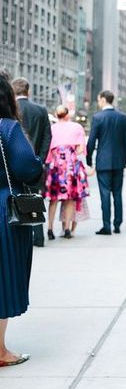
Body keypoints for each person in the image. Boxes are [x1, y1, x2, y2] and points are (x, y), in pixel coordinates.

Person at [0, 72, 43, 367]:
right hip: (4, 210)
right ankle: (0, 352)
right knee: (2, 279)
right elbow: (28, 167)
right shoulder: (8, 128)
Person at [12, 77, 52, 247]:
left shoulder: (10, 110)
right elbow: (47, 137)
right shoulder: (40, 110)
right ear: (28, 91)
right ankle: (38, 237)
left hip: (13, 163)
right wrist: (40, 159)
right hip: (35, 163)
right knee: (36, 199)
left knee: (13, 199)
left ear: (13, 92)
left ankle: (18, 237)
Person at [86, 90, 126, 235]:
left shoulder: (98, 117)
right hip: (118, 162)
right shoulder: (123, 117)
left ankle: (107, 226)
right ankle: (117, 224)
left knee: (105, 194)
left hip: (103, 162)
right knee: (117, 193)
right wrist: (124, 159)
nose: (99, 102)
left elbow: (91, 141)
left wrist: (89, 160)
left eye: (99, 99)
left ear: (104, 100)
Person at [45, 106, 89, 239]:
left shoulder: (51, 128)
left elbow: (47, 152)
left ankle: (50, 229)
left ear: (56, 115)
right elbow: (81, 149)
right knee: (70, 199)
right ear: (67, 115)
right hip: (70, 167)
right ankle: (67, 229)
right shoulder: (77, 127)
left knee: (53, 199)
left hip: (56, 166)